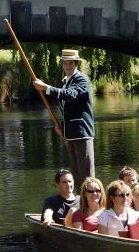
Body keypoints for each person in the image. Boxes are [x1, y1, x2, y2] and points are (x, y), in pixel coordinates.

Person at [31, 49, 95, 188]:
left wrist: (46, 88)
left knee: (87, 174)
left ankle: (92, 205)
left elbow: (70, 95)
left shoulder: (81, 79)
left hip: (82, 133)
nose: (67, 66)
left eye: (70, 63)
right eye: (65, 63)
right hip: (70, 134)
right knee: (76, 174)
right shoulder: (66, 81)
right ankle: (80, 205)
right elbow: (67, 109)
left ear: (76, 64)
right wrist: (62, 127)